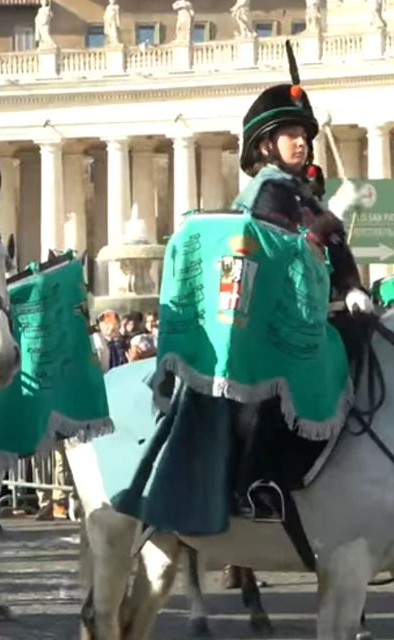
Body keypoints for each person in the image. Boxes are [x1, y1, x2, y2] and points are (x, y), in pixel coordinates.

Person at [225, 52, 371, 520]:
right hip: (273, 320)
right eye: (290, 134)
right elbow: (283, 248)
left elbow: (334, 249)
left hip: (316, 312)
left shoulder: (304, 193)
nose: (302, 142)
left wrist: (351, 288)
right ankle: (257, 480)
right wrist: (334, 216)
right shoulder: (266, 193)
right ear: (266, 145)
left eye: (305, 135)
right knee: (298, 368)